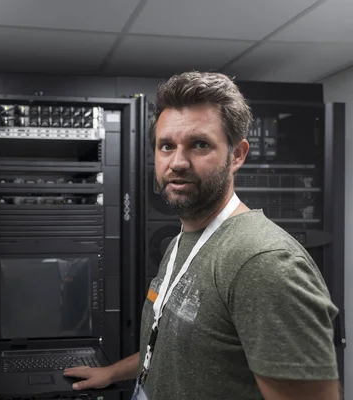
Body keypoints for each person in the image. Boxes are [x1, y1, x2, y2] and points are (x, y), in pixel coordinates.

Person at [64, 71, 340, 400]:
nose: (178, 162)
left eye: (199, 144)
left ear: (236, 155)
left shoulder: (264, 264)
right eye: (166, 146)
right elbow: (179, 348)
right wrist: (112, 373)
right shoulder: (185, 238)